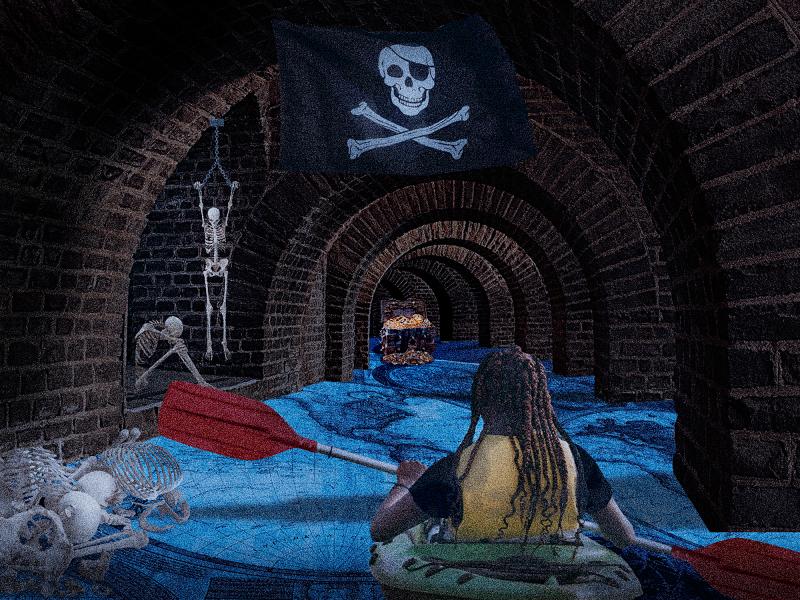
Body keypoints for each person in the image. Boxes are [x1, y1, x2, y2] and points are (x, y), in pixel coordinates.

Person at [370, 347, 637, 549]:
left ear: (481, 401)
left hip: (470, 578)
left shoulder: (455, 469)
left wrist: (406, 483)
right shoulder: (575, 460)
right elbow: (625, 537)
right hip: (559, 573)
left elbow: (380, 530)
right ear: (541, 402)